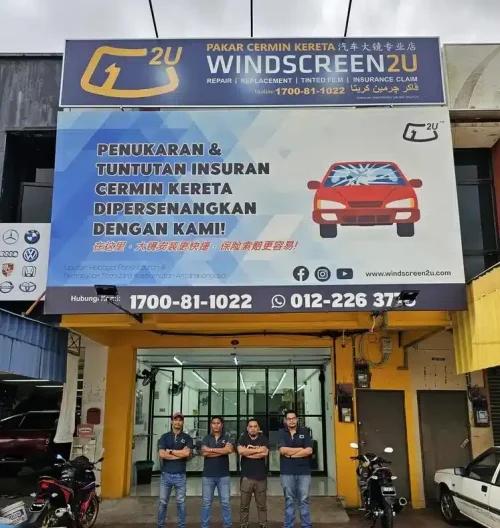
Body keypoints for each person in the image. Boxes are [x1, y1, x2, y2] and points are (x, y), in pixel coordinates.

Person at [278, 410, 313, 528]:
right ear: (285, 420)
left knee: (304, 499)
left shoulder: (304, 431)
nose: (291, 421)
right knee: (289, 499)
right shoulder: (281, 432)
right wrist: (301, 449)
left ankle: (306, 525)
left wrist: (291, 455)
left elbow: (309, 450)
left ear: (297, 419)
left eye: (293, 418)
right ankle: (288, 525)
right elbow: (283, 450)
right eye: (289, 419)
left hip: (304, 472)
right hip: (287, 472)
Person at [157, 412, 193, 528]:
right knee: (162, 502)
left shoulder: (187, 438)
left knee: (181, 503)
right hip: (166, 475)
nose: (178, 422)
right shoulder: (164, 437)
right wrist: (179, 454)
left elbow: (187, 453)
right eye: (175, 420)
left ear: (183, 422)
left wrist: (170, 451)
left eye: (180, 420)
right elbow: (162, 454)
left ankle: (181, 526)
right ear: (172, 421)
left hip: (180, 475)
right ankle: (160, 525)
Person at [201, 416, 234, 528]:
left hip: (223, 476)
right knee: (206, 503)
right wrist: (222, 451)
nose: (216, 425)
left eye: (218, 423)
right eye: (214, 423)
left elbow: (229, 450)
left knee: (225, 502)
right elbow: (204, 453)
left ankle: (227, 525)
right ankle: (205, 526)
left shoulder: (227, 437)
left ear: (222, 425)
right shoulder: (206, 438)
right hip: (208, 476)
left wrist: (210, 450)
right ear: (211, 425)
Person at [237, 418, 269, 528]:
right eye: (250, 426)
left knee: (262, 505)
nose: (253, 429)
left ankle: (263, 524)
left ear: (258, 428)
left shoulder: (263, 439)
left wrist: (248, 453)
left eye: (255, 426)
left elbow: (264, 454)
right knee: (244, 505)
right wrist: (258, 450)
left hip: (261, 477)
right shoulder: (243, 438)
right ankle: (243, 524)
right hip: (246, 477)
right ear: (247, 428)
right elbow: (241, 451)